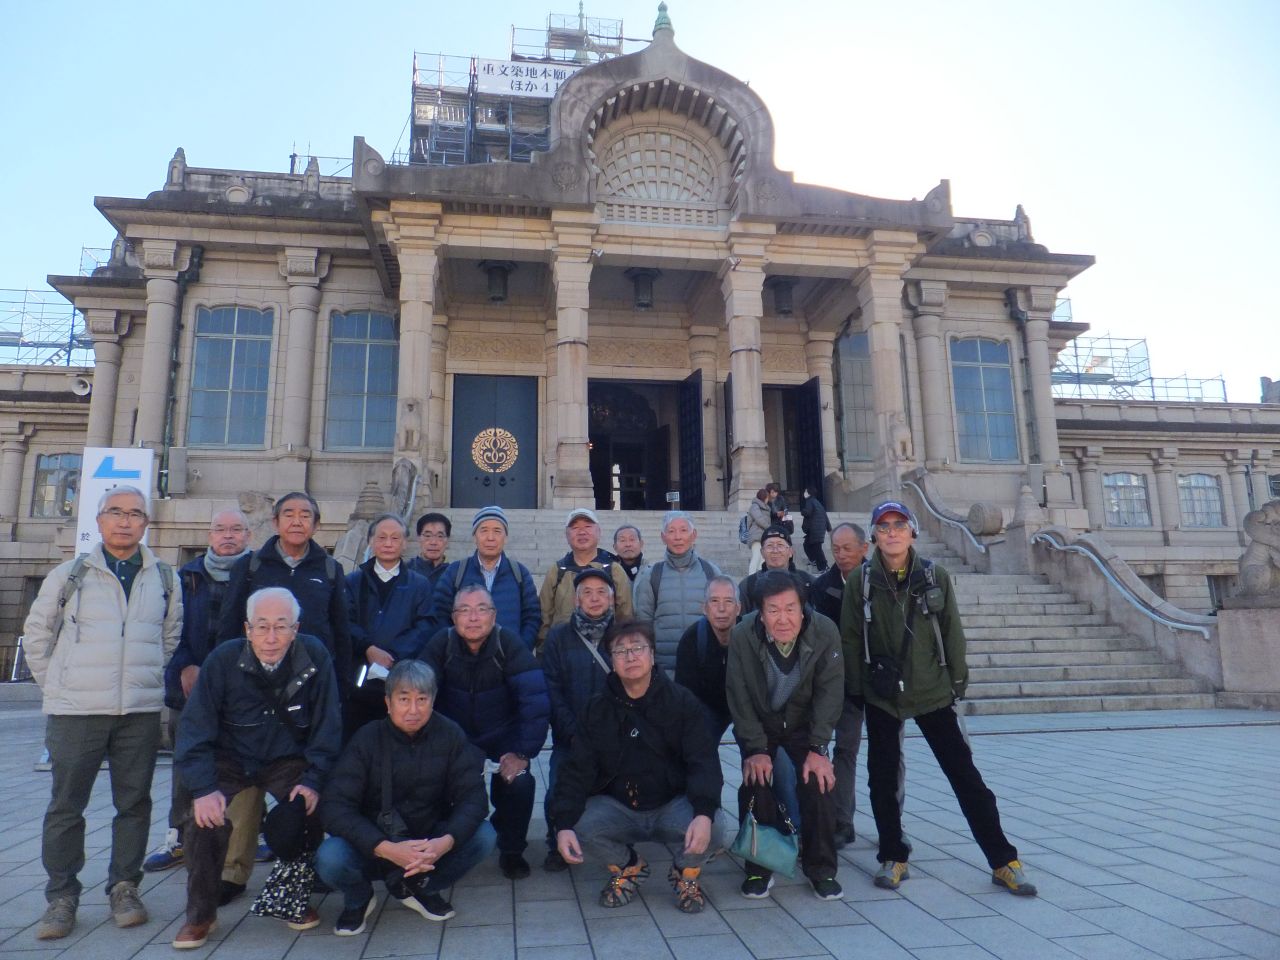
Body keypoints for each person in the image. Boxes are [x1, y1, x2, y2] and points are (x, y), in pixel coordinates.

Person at [841, 501, 1037, 896]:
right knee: (882, 780)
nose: (892, 532)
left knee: (966, 777)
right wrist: (859, 690)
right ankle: (892, 856)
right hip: (883, 694)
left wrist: (956, 684)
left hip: (931, 689)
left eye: (899, 525)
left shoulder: (935, 575)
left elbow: (952, 632)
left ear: (912, 532)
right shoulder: (860, 581)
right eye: (884, 526)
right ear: (874, 536)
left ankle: (1003, 860)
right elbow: (850, 638)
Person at [23, 486, 182, 941]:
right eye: (116, 512)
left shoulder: (164, 577)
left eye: (135, 514)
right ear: (100, 519)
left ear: (146, 523)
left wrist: (140, 680)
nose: (125, 521)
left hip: (138, 712)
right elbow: (37, 634)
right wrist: (58, 685)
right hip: (77, 711)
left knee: (134, 803)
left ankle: (125, 886)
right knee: (66, 806)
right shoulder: (69, 574)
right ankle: (61, 896)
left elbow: (169, 637)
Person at [171, 587, 342, 948]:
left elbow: (327, 726)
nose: (271, 637)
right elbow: (194, 731)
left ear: (296, 629)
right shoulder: (223, 659)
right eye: (262, 626)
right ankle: (201, 914)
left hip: (285, 756)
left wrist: (313, 780)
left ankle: (293, 897)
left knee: (308, 809)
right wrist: (203, 789)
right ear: (247, 629)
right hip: (231, 756)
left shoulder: (314, 655)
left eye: (281, 626)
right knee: (203, 819)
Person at [550, 621, 724, 914]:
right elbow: (576, 769)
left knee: (715, 824)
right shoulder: (596, 708)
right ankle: (629, 866)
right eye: (621, 651)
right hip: (620, 808)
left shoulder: (682, 702)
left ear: (652, 655)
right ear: (611, 661)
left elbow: (703, 761)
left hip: (671, 804)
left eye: (638, 648)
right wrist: (563, 823)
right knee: (576, 824)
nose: (630, 657)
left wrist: (704, 811)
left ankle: (685, 871)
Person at [315, 660, 497, 934]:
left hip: (428, 840)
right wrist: (384, 847)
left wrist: (444, 843)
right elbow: (335, 807)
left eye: (422, 699)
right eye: (404, 699)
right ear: (388, 703)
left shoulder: (450, 734)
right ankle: (359, 898)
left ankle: (418, 886)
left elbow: (474, 798)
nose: (413, 710)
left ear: (433, 701)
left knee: (484, 836)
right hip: (375, 842)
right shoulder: (366, 739)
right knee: (330, 856)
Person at [147, 510, 256, 900]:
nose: (228, 536)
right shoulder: (186, 577)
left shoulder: (258, 574)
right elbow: (168, 631)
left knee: (245, 767)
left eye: (236, 529)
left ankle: (243, 841)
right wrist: (184, 666)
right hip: (190, 687)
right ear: (209, 535)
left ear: (249, 535)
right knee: (186, 763)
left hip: (241, 689)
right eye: (220, 529)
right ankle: (180, 836)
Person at [726, 570, 843, 901]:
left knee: (818, 781)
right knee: (757, 779)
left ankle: (821, 868)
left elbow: (830, 691)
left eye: (790, 608)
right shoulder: (742, 635)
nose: (783, 618)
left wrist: (819, 747)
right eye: (773, 610)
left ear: (802, 608)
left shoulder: (824, 631)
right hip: (762, 722)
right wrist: (755, 748)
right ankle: (759, 867)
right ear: (760, 613)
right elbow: (739, 695)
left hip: (804, 724)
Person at [421, 585, 550, 880]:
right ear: (453, 617)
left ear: (493, 615)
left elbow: (535, 701)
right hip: (456, 738)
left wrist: (522, 753)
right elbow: (421, 691)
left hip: (503, 735)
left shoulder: (508, 643)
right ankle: (448, 845)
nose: (473, 618)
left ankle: (512, 850)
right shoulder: (442, 643)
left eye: (481, 609)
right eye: (464, 610)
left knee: (520, 781)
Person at [811, 522, 900, 849]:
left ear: (865, 548)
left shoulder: (886, 581)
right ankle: (842, 821)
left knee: (890, 754)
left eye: (847, 548)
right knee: (845, 750)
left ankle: (893, 825)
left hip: (881, 681)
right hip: (842, 683)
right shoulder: (822, 586)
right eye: (835, 549)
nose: (841, 554)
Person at [218, 491, 353, 702]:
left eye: (305, 516)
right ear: (275, 522)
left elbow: (341, 631)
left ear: (316, 525)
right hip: (255, 679)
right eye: (289, 515)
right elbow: (229, 625)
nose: (297, 522)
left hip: (313, 679)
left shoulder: (330, 569)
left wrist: (341, 687)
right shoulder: (250, 566)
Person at [539, 568, 617, 871]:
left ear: (611, 599)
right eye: (587, 592)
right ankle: (556, 843)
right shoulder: (558, 637)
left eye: (601, 593)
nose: (594, 598)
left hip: (615, 736)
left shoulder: (623, 635)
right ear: (576, 600)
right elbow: (552, 689)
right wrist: (572, 732)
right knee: (558, 789)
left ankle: (617, 842)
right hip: (569, 736)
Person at [345, 513, 436, 734]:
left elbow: (425, 625)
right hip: (360, 678)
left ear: (405, 543)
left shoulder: (419, 584)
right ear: (370, 541)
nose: (388, 543)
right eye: (382, 537)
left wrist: (393, 655)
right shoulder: (353, 582)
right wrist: (368, 648)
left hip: (403, 678)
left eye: (395, 538)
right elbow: (345, 621)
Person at [430, 506, 540, 650]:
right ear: (474, 536)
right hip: (463, 657)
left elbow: (532, 616)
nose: (490, 537)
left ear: (506, 538)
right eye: (484, 531)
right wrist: (454, 648)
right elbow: (440, 613)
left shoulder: (520, 574)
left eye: (497, 531)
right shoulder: (455, 572)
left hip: (509, 656)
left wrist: (520, 649)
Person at [633, 511, 721, 672]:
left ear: (694, 535)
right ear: (663, 537)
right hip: (664, 668)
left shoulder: (711, 572)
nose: (678, 537)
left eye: (683, 530)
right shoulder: (652, 575)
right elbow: (644, 623)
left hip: (704, 666)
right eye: (671, 531)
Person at [537, 508, 632, 646]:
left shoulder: (614, 570)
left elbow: (625, 614)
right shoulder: (557, 571)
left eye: (588, 526)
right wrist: (542, 649)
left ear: (598, 532)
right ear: (567, 535)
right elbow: (545, 616)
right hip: (564, 649)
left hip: (605, 648)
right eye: (575, 528)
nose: (582, 532)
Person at [673, 575, 740, 740]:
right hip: (707, 707)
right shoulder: (692, 639)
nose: (721, 609)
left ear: (738, 608)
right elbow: (685, 695)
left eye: (728, 601)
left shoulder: (752, 636)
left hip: (744, 706)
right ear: (704, 608)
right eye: (714, 601)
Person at [739, 525, 814, 615]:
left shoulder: (808, 582)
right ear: (762, 553)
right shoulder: (748, 585)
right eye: (769, 546)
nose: (775, 550)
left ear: (791, 552)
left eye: (780, 545)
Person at [407, 512, 452, 592]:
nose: (433, 542)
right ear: (418, 538)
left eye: (440, 536)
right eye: (427, 536)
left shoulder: (454, 573)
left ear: (448, 540)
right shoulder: (405, 570)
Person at [799, 489, 831, 572]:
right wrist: (829, 529)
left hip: (814, 529)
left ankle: (823, 567)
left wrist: (802, 511)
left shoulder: (809, 501)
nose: (804, 493)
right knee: (807, 545)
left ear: (809, 493)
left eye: (805, 491)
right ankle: (814, 561)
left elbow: (808, 512)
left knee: (817, 548)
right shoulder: (817, 503)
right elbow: (825, 516)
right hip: (818, 529)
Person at [743, 488, 772, 575]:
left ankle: (760, 577)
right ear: (764, 497)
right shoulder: (755, 506)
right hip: (756, 536)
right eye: (767, 497)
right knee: (756, 557)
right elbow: (759, 519)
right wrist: (769, 528)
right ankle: (751, 577)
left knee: (762, 559)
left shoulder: (765, 507)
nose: (768, 499)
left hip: (763, 536)